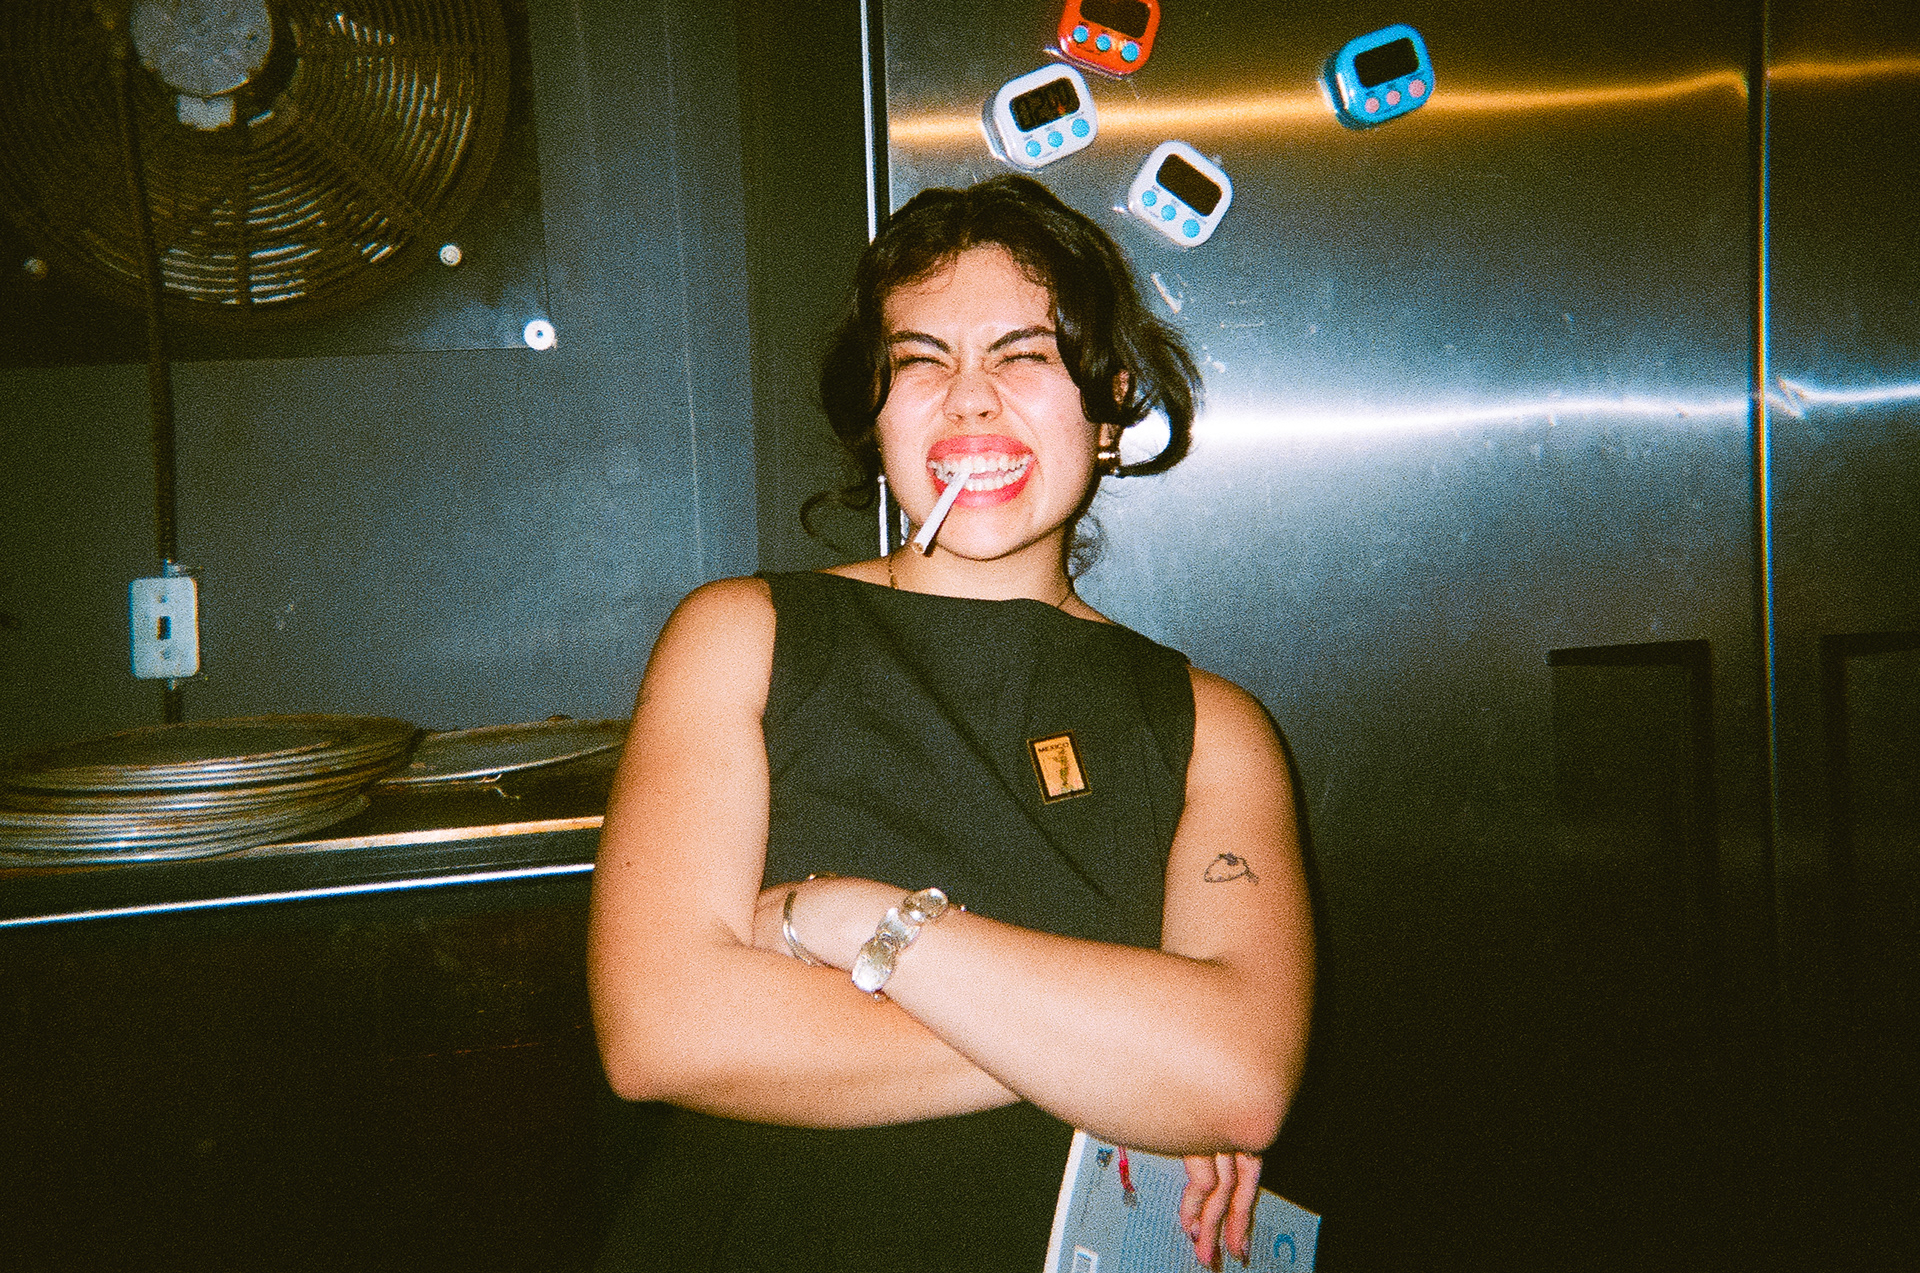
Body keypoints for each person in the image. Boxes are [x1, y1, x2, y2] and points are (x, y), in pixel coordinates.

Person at [588, 174, 1313, 1271]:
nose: (970, 401)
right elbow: (660, 1031)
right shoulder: (743, 636)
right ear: (876, 412)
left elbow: (1239, 1078)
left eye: (1024, 356)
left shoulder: (1213, 726)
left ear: (1110, 403)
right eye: (922, 360)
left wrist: (849, 918)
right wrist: (1129, 1055)